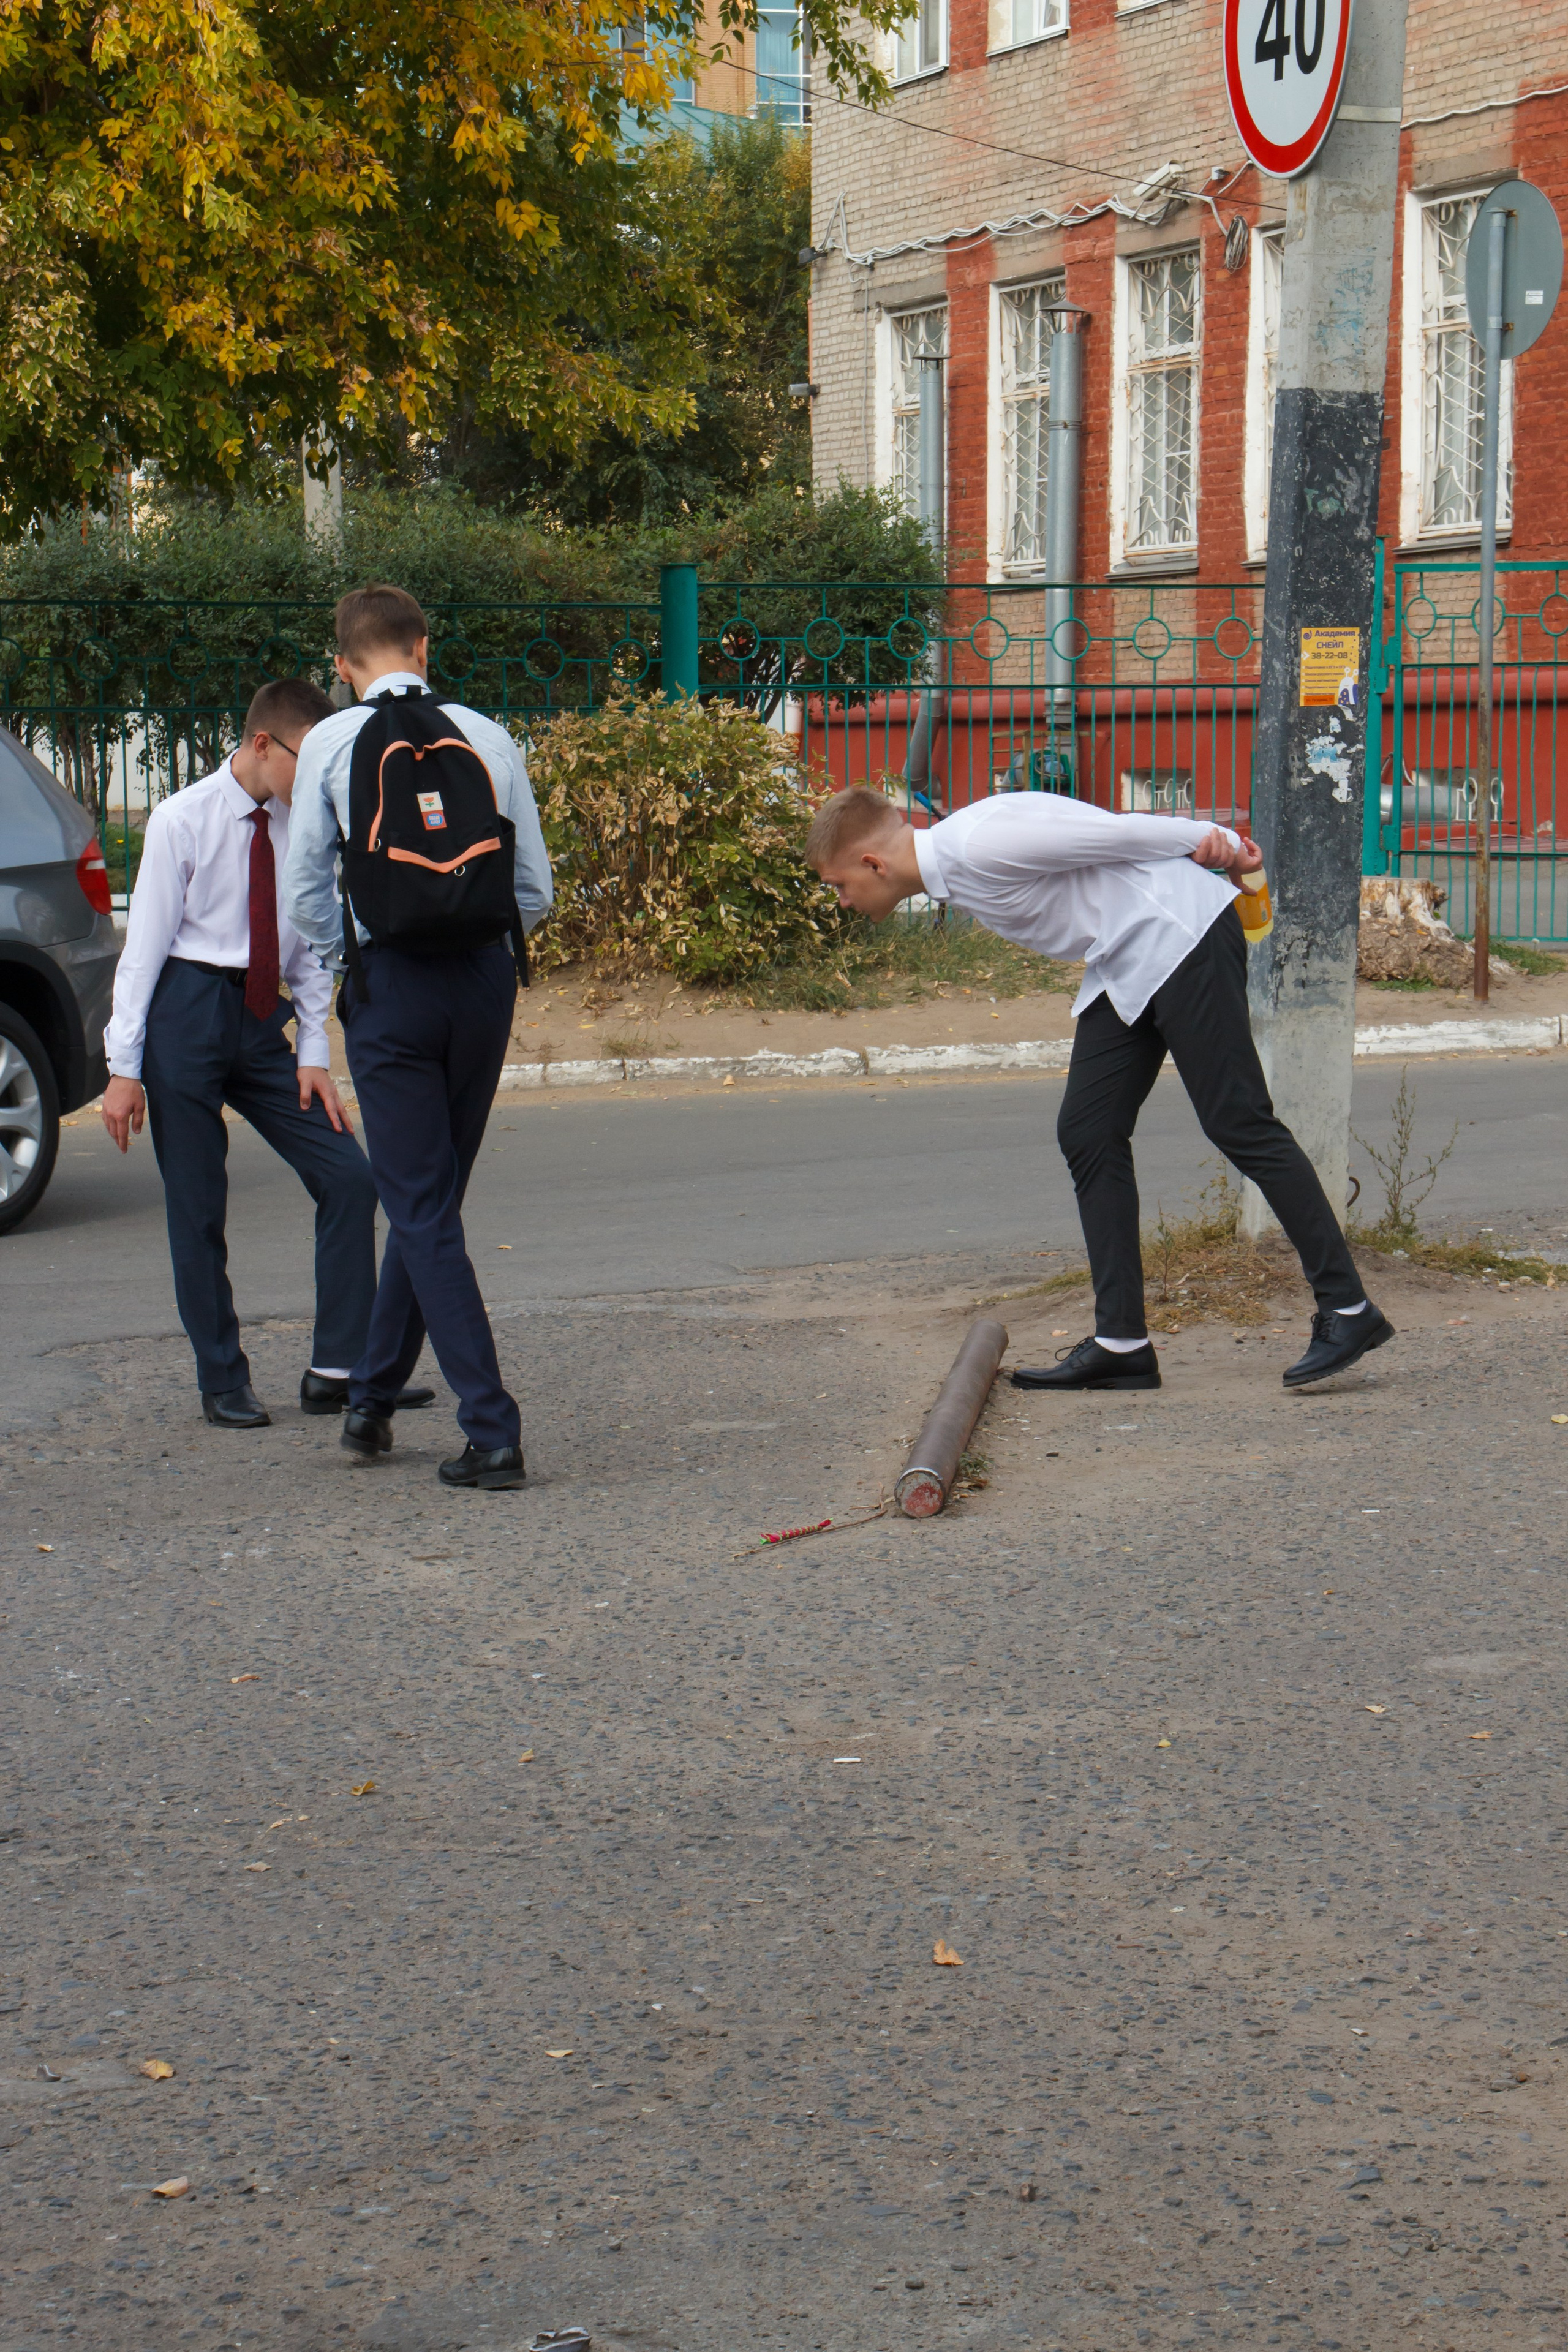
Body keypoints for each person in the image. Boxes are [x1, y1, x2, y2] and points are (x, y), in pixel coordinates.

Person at [804, 786, 1392, 1392]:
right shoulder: (959, 860)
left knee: (1237, 1119)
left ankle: (1348, 1308)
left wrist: (1219, 843)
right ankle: (1122, 1343)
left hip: (1177, 933)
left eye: (840, 885)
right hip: (1125, 956)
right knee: (1088, 1130)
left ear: (872, 863)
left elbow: (1116, 833)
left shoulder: (976, 843)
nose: (844, 901)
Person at [100, 678, 434, 1429]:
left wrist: (313, 1053)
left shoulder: (302, 825)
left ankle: (340, 1368)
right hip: (185, 1013)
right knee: (198, 1208)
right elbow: (142, 952)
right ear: (261, 744)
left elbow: (312, 950)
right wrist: (125, 1069)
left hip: (259, 1022)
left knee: (350, 1177)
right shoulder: (181, 819)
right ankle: (222, 1378)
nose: (313, 775)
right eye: (304, 758)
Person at [283, 584, 553, 1490]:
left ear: (342, 665)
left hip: (390, 985)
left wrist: (351, 965)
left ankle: (492, 1430)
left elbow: (306, 894)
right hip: (482, 984)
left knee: (419, 1205)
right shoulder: (489, 736)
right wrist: (479, 948)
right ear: (424, 648)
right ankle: (371, 1398)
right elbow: (534, 889)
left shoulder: (330, 743)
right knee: (427, 1196)